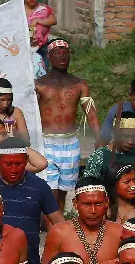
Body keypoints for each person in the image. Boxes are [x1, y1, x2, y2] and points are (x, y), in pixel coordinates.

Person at [35, 40, 100, 206]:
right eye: (58, 53)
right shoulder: (39, 85)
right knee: (50, 190)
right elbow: (30, 113)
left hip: (70, 143)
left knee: (64, 191)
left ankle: (57, 224)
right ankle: (52, 224)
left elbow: (90, 113)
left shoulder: (79, 84)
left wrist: (100, 138)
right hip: (46, 142)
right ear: (49, 57)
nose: (62, 57)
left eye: (65, 53)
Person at [35, 179, 121, 264]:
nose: (93, 210)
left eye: (98, 203)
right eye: (86, 204)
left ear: (106, 202)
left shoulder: (118, 232)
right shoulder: (60, 232)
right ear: (75, 204)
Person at [0, 137, 64, 264]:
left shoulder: (40, 186)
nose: (14, 169)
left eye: (19, 164)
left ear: (26, 160)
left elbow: (60, 225)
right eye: (8, 164)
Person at [82, 113, 135, 186]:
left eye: (134, 136)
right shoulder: (99, 157)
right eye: (125, 136)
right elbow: (88, 187)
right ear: (113, 133)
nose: (130, 141)